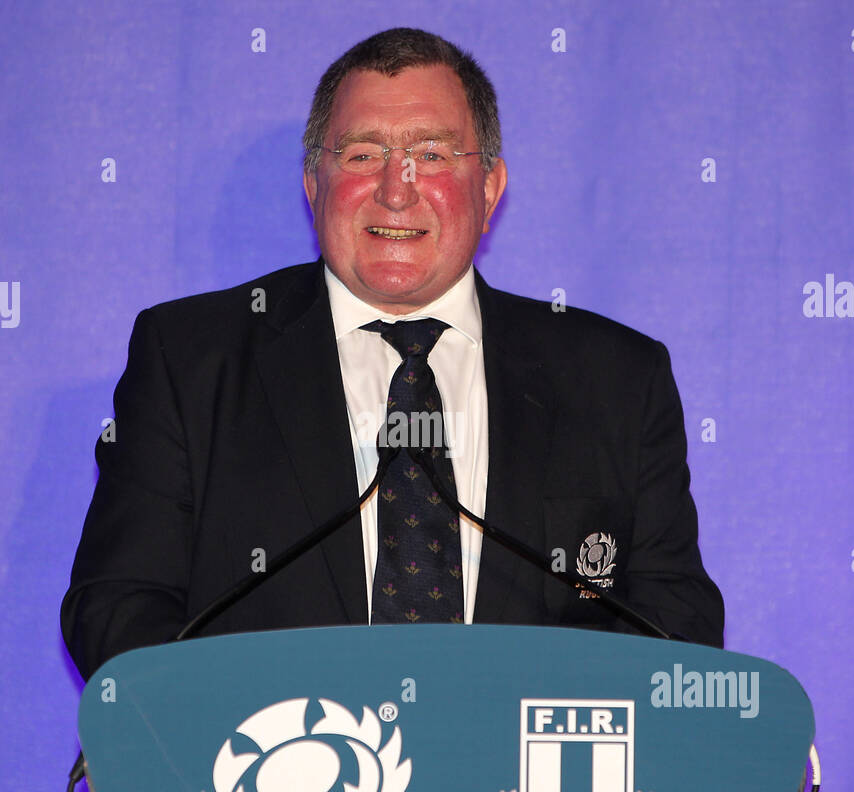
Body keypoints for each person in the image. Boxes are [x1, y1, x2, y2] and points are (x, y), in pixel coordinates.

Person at [61, 28, 723, 681]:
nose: (396, 189)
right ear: (313, 186)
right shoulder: (191, 361)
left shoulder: (615, 378)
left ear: (489, 188)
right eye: (360, 155)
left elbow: (676, 623)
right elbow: (118, 608)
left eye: (432, 155)